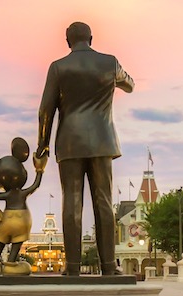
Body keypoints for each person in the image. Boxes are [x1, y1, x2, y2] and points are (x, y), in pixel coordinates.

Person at [36, 21, 134, 276]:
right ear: (91, 38)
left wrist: (42, 145)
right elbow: (130, 84)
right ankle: (109, 267)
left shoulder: (58, 67)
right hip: (102, 141)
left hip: (70, 142)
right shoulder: (109, 63)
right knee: (104, 202)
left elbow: (46, 110)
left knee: (71, 201)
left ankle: (72, 268)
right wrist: (113, 79)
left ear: (67, 41)